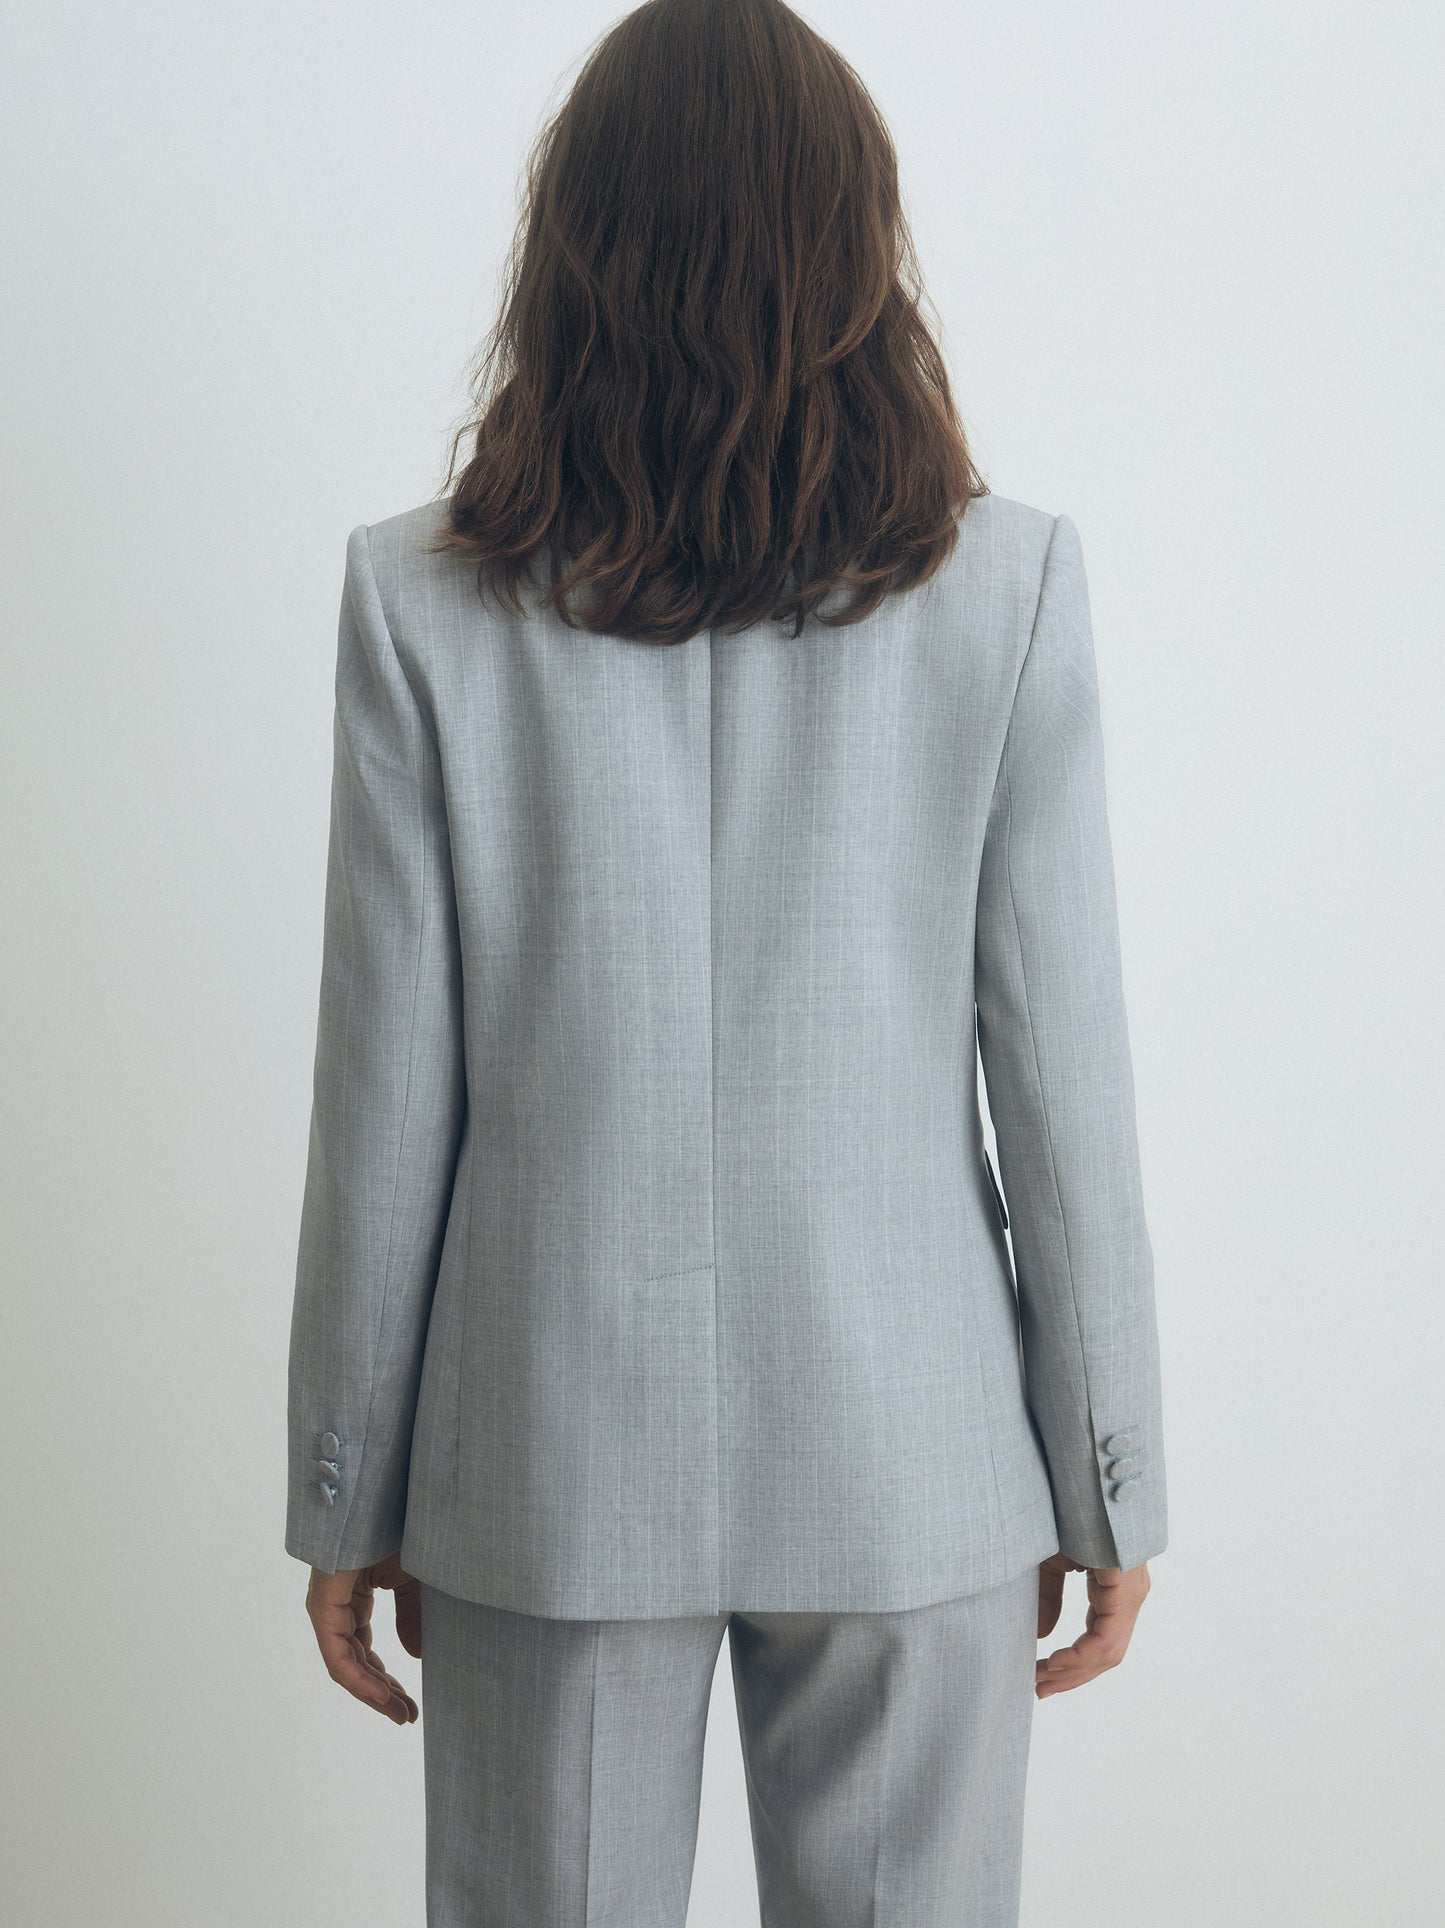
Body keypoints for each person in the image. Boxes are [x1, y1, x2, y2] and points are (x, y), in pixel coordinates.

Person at [284, 1, 1166, 1921]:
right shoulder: (1000, 592)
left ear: (572, 257)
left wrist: (347, 1492)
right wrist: (1108, 1476)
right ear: (860, 252)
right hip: (911, 1450)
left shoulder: (421, 604)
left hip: (541, 1454)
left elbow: (384, 1104)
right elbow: (1062, 1080)